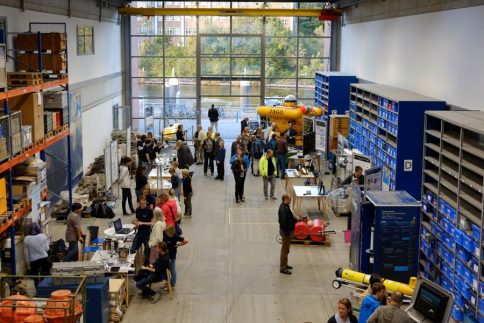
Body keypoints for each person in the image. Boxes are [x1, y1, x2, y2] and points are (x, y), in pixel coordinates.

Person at [163, 225, 188, 289]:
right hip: (164, 255)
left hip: (172, 255)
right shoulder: (164, 233)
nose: (170, 236)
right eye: (169, 234)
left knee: (172, 270)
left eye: (171, 235)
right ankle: (167, 282)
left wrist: (178, 245)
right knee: (165, 270)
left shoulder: (175, 236)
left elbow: (186, 241)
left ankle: (172, 285)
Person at [130, 196, 154, 266]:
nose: (143, 203)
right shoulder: (138, 210)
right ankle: (131, 265)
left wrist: (142, 223)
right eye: (142, 201)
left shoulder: (149, 211)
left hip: (147, 234)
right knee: (133, 249)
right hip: (139, 233)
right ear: (139, 202)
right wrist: (135, 223)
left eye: (144, 201)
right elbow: (138, 220)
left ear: (146, 202)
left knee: (147, 251)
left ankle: (145, 267)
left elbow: (152, 223)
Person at [279, 194, 298, 274]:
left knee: (287, 250)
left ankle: (285, 264)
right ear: (285, 199)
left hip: (288, 231)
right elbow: (283, 223)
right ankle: (283, 268)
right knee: (284, 250)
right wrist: (287, 232)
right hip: (286, 232)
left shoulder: (286, 206)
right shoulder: (283, 209)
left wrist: (295, 219)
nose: (290, 200)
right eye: (289, 199)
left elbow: (289, 217)